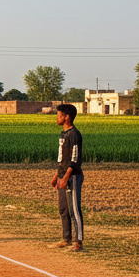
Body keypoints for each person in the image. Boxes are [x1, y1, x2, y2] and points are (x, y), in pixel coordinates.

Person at [50, 103, 84, 253]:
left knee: (73, 210)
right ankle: (66, 239)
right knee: (63, 209)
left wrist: (66, 177)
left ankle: (78, 243)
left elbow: (75, 159)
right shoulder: (63, 135)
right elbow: (61, 158)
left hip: (73, 177)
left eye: (59, 115)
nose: (56, 118)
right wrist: (57, 175)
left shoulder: (74, 134)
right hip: (62, 175)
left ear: (67, 117)